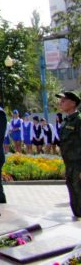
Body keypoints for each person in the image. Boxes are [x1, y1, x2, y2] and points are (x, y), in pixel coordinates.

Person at [57, 90, 81, 218]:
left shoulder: (78, 120)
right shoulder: (66, 121)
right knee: (74, 194)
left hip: (78, 165)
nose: (61, 103)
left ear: (73, 103)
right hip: (70, 165)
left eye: (64, 100)